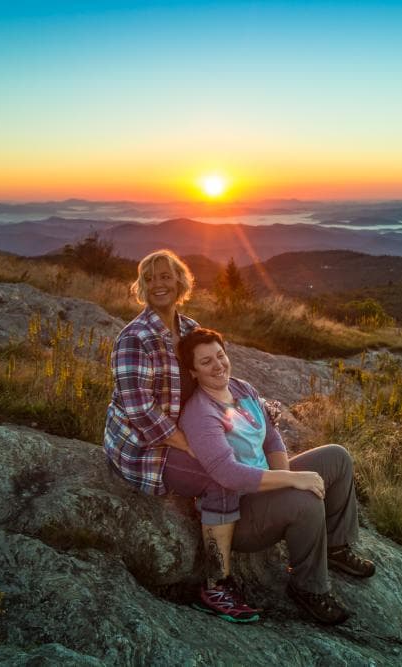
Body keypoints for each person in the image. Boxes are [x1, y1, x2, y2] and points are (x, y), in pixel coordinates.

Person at [165, 326, 375, 626]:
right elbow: (227, 474)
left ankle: (335, 546)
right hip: (240, 513)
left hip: (266, 488)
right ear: (193, 372)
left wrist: (284, 477)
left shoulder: (243, 389)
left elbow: (272, 439)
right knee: (304, 499)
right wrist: (291, 483)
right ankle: (308, 588)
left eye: (220, 355)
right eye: (205, 361)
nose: (218, 365)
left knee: (337, 457)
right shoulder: (200, 413)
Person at [103, 249, 262, 623]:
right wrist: (190, 445)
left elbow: (211, 381)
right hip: (145, 447)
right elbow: (138, 409)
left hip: (187, 431)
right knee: (218, 476)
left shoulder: (190, 330)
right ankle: (216, 585)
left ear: (180, 282)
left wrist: (248, 412)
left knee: (236, 457)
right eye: (150, 278)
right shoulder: (135, 338)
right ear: (142, 287)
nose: (159, 284)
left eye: (166, 276)